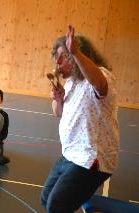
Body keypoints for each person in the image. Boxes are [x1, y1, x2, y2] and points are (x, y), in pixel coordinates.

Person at [40, 25, 119, 213]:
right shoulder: (71, 83)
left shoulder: (101, 75)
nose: (58, 62)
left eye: (65, 57)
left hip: (91, 157)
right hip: (71, 153)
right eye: (57, 56)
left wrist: (74, 52)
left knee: (57, 206)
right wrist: (58, 99)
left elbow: (99, 83)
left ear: (79, 56)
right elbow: (58, 112)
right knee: (46, 199)